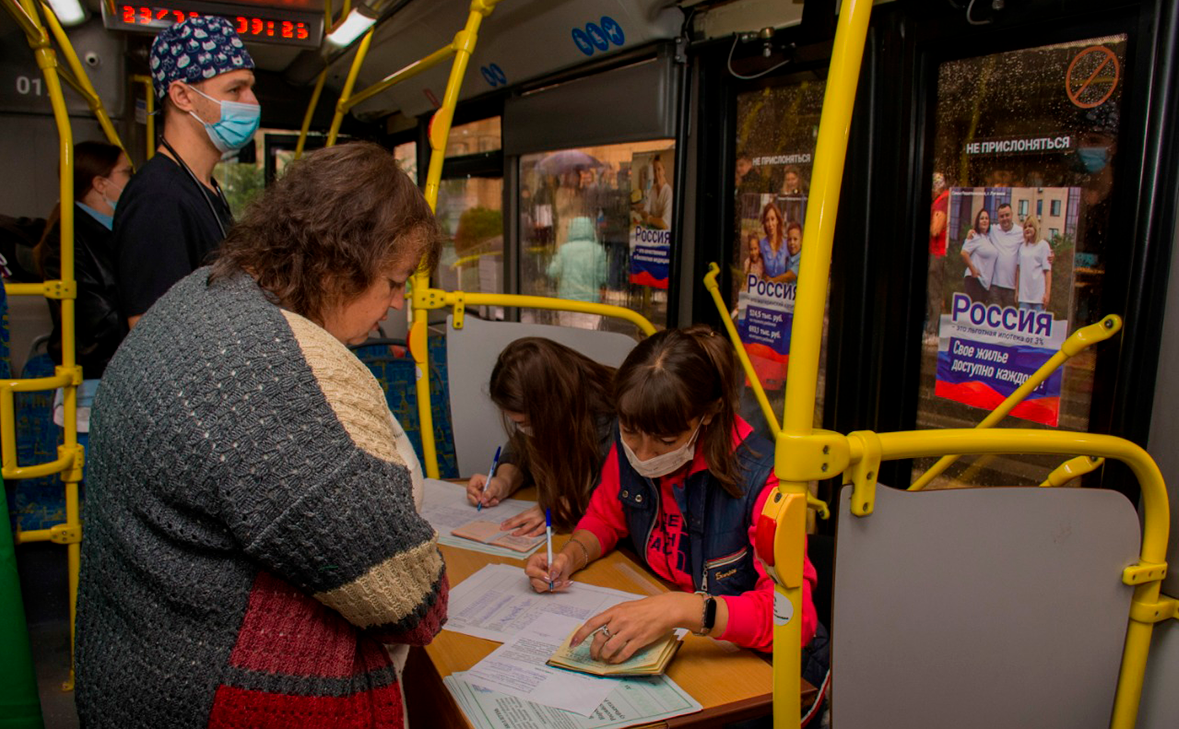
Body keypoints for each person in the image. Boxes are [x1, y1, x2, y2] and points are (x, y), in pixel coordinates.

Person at [75, 142, 448, 728]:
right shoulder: (273, 370)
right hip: (206, 695)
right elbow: (411, 600)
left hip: (137, 665)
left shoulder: (198, 296)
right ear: (338, 263)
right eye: (394, 281)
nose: (396, 305)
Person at [523, 327, 827, 690]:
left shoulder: (765, 481)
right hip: (684, 649)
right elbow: (606, 516)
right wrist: (570, 556)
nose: (643, 454)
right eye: (629, 431)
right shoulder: (632, 448)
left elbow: (795, 619)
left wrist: (684, 609)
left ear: (708, 415)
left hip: (765, 673)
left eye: (666, 441)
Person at [114, 15, 259, 328]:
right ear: (182, 96)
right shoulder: (158, 198)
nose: (252, 102)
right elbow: (154, 337)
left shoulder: (204, 187)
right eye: (235, 90)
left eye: (250, 88)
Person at [466, 338, 616, 536]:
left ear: (553, 408)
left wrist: (566, 507)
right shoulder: (553, 409)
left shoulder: (618, 422)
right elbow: (521, 448)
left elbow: (617, 497)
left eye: (524, 424)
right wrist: (503, 481)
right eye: (517, 424)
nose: (523, 431)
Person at [35, 141, 132, 385]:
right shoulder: (67, 238)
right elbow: (95, 322)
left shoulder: (117, 230)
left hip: (118, 371)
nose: (134, 181)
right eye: (127, 173)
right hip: (95, 377)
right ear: (100, 184)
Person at [546, 216, 608, 329]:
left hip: (567, 303)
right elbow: (603, 277)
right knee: (588, 336)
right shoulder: (598, 250)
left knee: (567, 337)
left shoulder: (564, 249)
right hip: (591, 303)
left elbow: (553, 272)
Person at [985, 202, 1024, 308]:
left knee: (1009, 321)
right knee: (993, 320)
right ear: (998, 218)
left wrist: (1049, 254)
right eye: (1001, 216)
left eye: (1007, 215)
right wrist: (970, 233)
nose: (1005, 218)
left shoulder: (1021, 232)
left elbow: (1034, 244)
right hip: (994, 285)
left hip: (1011, 288)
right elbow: (979, 232)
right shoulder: (993, 230)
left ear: (1012, 214)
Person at [926, 172, 950, 338]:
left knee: (934, 292)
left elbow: (935, 229)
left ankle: (934, 330)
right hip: (940, 253)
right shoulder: (945, 199)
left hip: (938, 253)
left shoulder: (942, 202)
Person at [960, 208, 999, 304]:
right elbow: (964, 253)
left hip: (985, 284)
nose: (985, 220)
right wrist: (973, 269)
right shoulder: (974, 236)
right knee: (974, 313)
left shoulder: (988, 238)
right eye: (982, 218)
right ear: (978, 221)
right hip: (974, 281)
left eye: (986, 218)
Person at [1015, 214, 1052, 312]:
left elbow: (1047, 271)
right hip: (1024, 298)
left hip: (1039, 298)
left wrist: (1047, 294)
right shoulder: (1022, 247)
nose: (1027, 229)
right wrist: (1017, 291)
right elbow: (1019, 270)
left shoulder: (1043, 246)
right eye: (1025, 227)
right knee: (1022, 327)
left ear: (1036, 228)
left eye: (1030, 226)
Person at [758, 201, 794, 284]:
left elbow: (791, 271)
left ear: (777, 220)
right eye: (767, 220)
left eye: (772, 219)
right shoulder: (761, 245)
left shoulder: (786, 245)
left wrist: (774, 280)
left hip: (782, 292)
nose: (770, 224)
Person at [639, 155, 673, 230]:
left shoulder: (668, 191)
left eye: (659, 169)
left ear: (664, 170)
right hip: (653, 233)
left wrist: (649, 219)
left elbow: (664, 223)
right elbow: (645, 211)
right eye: (654, 170)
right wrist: (651, 218)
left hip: (663, 237)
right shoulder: (653, 189)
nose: (656, 173)